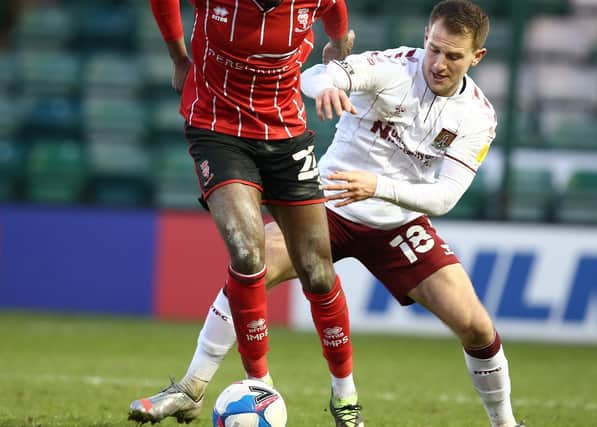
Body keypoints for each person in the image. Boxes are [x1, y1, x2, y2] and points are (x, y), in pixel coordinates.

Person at [131, 1, 525, 426]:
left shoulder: (478, 117)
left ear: (476, 58)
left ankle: (505, 424)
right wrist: (329, 85)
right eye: (433, 48)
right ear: (425, 36)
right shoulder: (392, 67)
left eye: (453, 56)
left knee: (478, 327)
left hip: (398, 226)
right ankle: (191, 387)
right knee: (251, 266)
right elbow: (316, 74)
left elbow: (445, 198)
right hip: (331, 204)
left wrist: (377, 187)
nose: (439, 63)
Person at [128, 0, 363, 426]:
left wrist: (336, 50)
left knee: (318, 270)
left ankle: (345, 396)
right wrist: (178, 55)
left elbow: (337, 18)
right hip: (218, 128)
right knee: (247, 251)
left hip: (286, 133)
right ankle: (260, 385)